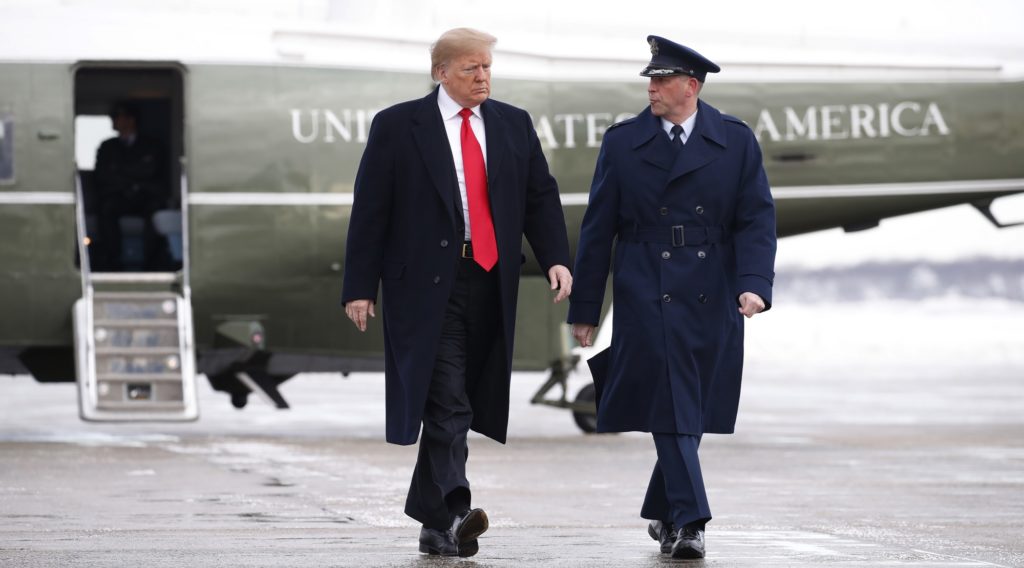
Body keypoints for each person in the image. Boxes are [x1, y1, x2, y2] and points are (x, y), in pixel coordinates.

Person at [341, 27, 572, 558]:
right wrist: (359, 286)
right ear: (440, 72)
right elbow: (370, 207)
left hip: (491, 279)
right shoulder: (399, 126)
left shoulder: (512, 124)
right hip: (423, 288)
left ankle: (433, 524)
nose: (482, 77)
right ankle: (459, 508)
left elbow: (540, 195)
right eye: (471, 68)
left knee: (463, 397)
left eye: (487, 67)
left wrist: (557, 257)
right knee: (447, 399)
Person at [568, 35, 777, 560]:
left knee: (693, 407)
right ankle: (690, 521)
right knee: (671, 401)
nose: (652, 88)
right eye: (650, 79)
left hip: (717, 288)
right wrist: (586, 309)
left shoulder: (735, 139)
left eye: (662, 80)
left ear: (692, 86)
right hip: (646, 285)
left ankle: (664, 512)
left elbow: (757, 218)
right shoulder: (623, 142)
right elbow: (598, 229)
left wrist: (755, 284)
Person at [93, 102, 164, 271]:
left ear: (131, 120)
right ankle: (113, 261)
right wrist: (132, 178)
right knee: (106, 210)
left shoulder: (152, 144)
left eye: (118, 117)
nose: (114, 121)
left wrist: (120, 170)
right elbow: (102, 174)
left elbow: (151, 171)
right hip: (118, 195)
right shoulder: (107, 146)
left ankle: (152, 263)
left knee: (156, 211)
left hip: (145, 195)